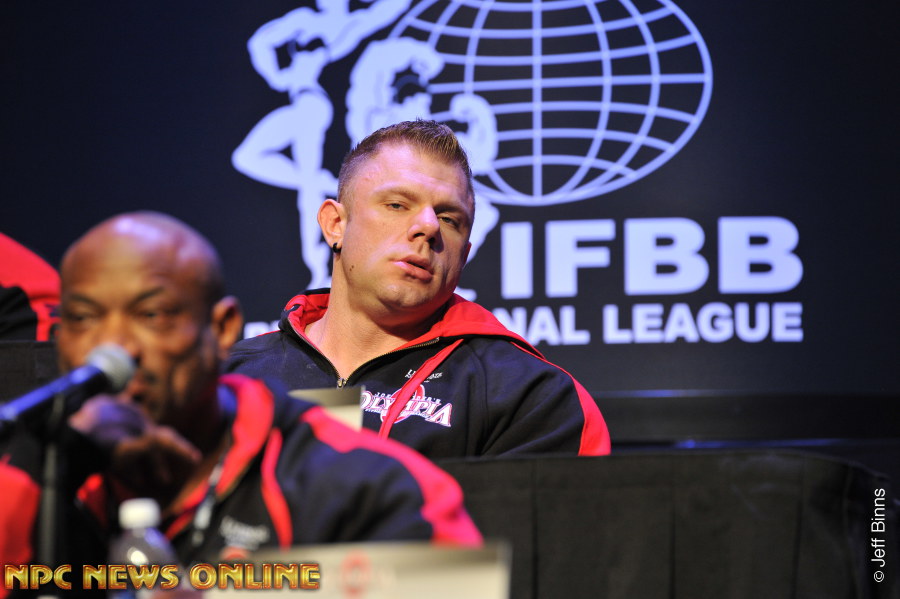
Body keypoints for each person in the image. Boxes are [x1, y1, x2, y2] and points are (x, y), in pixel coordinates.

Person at [0, 212, 481, 586]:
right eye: (83, 319)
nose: (115, 349)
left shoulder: (366, 486)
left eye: (152, 315)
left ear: (222, 330)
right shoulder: (40, 469)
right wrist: (47, 464)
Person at [224, 120, 611, 459]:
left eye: (449, 218)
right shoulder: (231, 379)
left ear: (464, 254)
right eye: (397, 204)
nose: (428, 226)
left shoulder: (530, 397)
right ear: (335, 224)